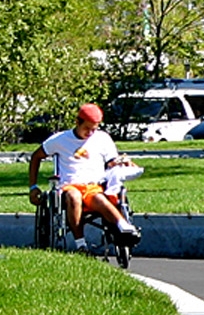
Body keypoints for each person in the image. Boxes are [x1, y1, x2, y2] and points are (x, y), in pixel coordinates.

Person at [29, 103, 141, 249]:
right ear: (77, 122)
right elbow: (36, 157)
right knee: (74, 197)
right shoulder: (60, 139)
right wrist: (33, 186)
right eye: (87, 128)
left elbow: (112, 162)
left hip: (93, 185)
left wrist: (124, 163)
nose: (90, 133)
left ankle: (124, 227)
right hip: (69, 186)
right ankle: (80, 244)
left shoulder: (102, 138)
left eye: (94, 129)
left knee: (100, 199)